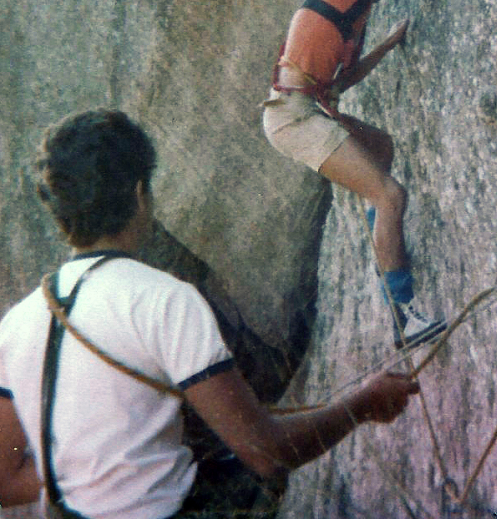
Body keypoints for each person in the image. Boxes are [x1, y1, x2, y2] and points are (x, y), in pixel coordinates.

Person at [0, 109, 419, 518]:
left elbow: (6, 482)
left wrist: (94, 471)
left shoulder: (16, 325)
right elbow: (266, 453)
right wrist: (363, 404)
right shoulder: (163, 298)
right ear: (141, 194)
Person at [263, 0, 485, 349]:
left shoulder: (355, 19)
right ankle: (406, 316)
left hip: (308, 107)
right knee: (392, 195)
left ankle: (378, 226)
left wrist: (387, 44)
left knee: (381, 150)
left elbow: (341, 84)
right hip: (290, 118)